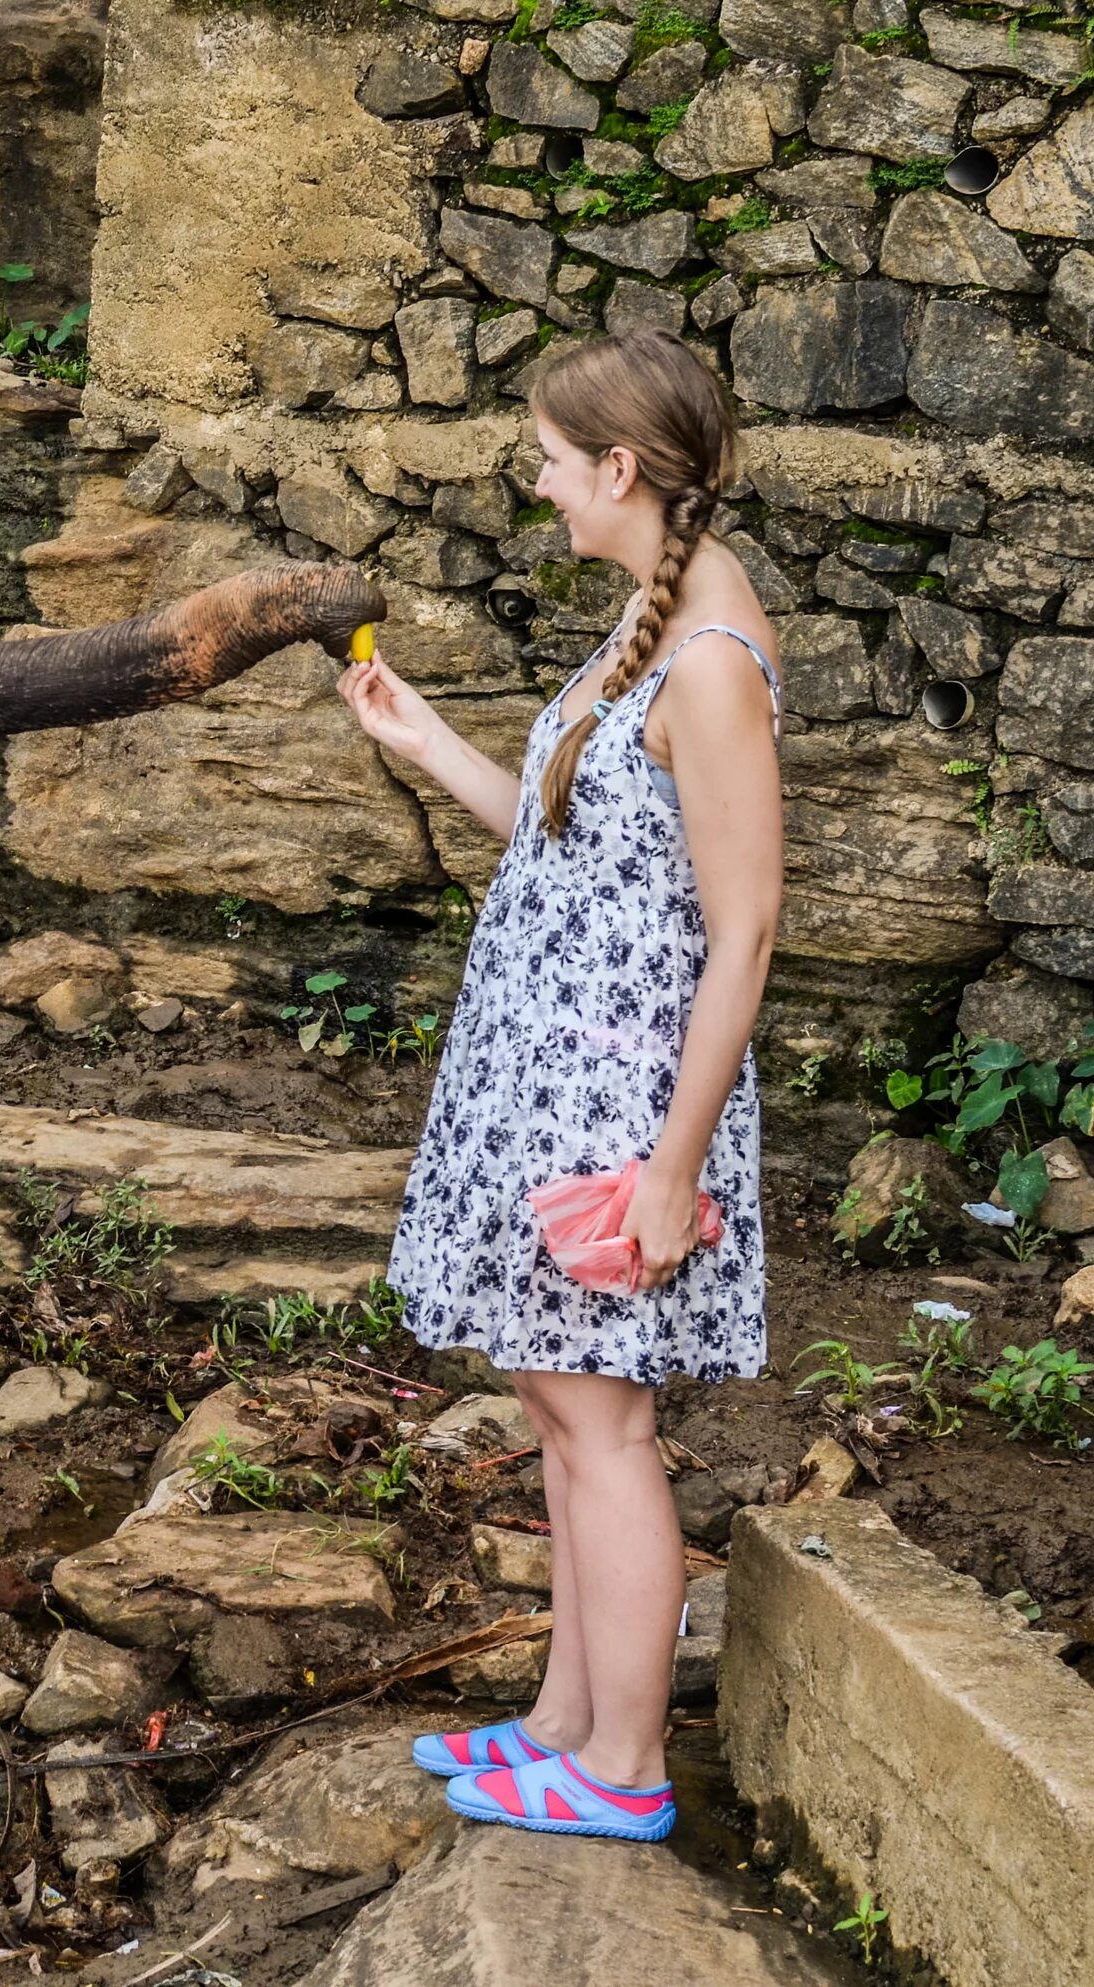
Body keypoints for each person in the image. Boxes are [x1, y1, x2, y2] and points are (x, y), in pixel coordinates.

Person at [335, 330, 783, 1842]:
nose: (533, 482)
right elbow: (566, 844)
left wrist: (672, 1170)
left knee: (605, 1428)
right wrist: (427, 743)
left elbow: (748, 931)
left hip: (618, 1109)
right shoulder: (642, 622)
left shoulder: (713, 661)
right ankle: (566, 1723)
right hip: (542, 1084)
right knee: (555, 1406)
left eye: (546, 457)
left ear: (619, 469)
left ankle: (626, 1773)